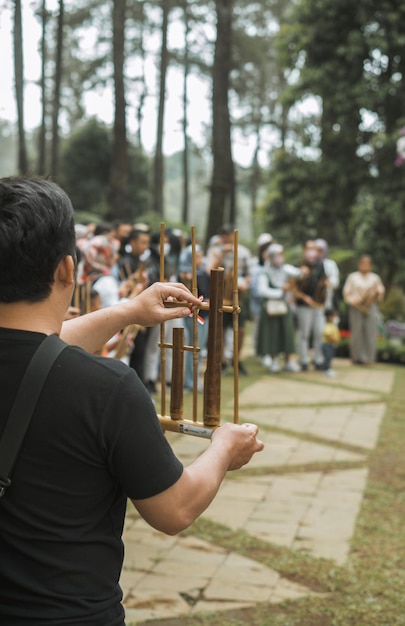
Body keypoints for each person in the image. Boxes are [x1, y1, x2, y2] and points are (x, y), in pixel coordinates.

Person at [0, 176, 264, 626]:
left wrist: (128, 311)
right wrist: (223, 448)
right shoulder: (106, 388)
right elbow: (173, 509)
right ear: (67, 270)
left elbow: (39, 347)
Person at [207, 224, 251, 376]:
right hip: (221, 295)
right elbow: (210, 271)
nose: (225, 238)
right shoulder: (215, 251)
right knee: (221, 330)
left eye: (228, 235)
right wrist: (221, 255)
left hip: (237, 295)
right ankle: (222, 360)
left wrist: (246, 282)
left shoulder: (243, 252)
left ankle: (236, 359)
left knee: (241, 329)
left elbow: (249, 272)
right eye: (223, 235)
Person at [256, 243, 301, 373]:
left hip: (284, 307)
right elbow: (262, 290)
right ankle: (274, 360)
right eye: (277, 255)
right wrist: (281, 291)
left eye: (281, 255)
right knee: (272, 334)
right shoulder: (264, 272)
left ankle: (288, 361)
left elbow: (298, 273)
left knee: (287, 333)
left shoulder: (286, 269)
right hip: (271, 308)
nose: (280, 258)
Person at [291, 240, 328, 371]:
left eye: (314, 248)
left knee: (318, 333)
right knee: (304, 334)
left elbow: (324, 284)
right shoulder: (298, 266)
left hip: (318, 306)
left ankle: (318, 359)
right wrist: (303, 297)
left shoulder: (320, 266)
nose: (312, 251)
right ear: (304, 250)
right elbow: (293, 287)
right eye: (309, 248)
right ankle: (304, 360)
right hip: (303, 306)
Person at [342, 255, 385, 364]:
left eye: (367, 263)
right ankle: (356, 358)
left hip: (370, 306)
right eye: (363, 263)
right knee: (356, 333)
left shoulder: (375, 278)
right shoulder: (353, 277)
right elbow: (346, 293)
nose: (365, 265)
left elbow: (380, 292)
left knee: (370, 332)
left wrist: (375, 294)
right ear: (359, 264)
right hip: (356, 307)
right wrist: (354, 301)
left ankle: (369, 358)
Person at [320, 309, 341, 377]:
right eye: (333, 316)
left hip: (331, 345)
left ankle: (327, 369)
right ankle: (326, 370)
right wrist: (334, 340)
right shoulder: (327, 325)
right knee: (327, 358)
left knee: (329, 357)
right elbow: (328, 335)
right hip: (327, 345)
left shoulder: (332, 325)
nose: (335, 318)